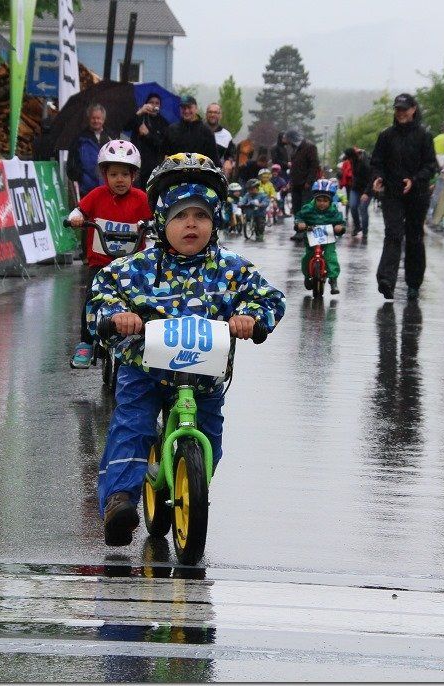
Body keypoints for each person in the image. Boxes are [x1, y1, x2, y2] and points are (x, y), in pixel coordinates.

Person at [86, 152, 286, 545]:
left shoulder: (232, 269)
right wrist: (117, 316)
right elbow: (102, 292)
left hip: (204, 375)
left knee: (211, 438)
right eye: (180, 216)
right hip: (145, 369)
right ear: (162, 221)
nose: (190, 224)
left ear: (215, 221)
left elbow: (269, 297)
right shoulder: (136, 268)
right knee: (133, 425)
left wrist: (250, 317)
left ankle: (190, 483)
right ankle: (120, 500)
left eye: (201, 216)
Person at [66, 140, 152, 369]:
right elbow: (79, 210)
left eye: (125, 174)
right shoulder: (97, 195)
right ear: (105, 175)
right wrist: (76, 218)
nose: (119, 179)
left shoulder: (141, 199)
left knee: (140, 299)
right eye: (114, 174)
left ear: (133, 176)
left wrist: (155, 225)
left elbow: (156, 216)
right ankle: (86, 342)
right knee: (92, 298)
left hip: (132, 263)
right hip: (101, 263)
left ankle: (142, 340)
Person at [371, 92, 438, 300]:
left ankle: (413, 284)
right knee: (393, 233)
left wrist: (415, 180)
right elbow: (376, 162)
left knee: (414, 236)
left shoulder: (424, 135)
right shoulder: (386, 136)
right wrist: (378, 177)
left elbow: (431, 165)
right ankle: (386, 279)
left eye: (404, 109)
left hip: (417, 193)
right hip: (392, 193)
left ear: (413, 110)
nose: (400, 113)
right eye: (397, 109)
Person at [295, 179, 346, 294]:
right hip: (311, 237)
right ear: (314, 199)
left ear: (330, 201)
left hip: (328, 238)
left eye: (325, 201)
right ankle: (307, 275)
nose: (322, 203)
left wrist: (340, 227)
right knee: (308, 256)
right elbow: (299, 217)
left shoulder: (333, 210)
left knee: (331, 257)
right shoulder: (308, 208)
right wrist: (300, 223)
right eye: (319, 200)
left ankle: (333, 280)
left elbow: (341, 222)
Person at [67, 103, 115, 198]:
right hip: (87, 189)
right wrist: (81, 178)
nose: (96, 121)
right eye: (93, 118)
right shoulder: (80, 139)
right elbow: (72, 163)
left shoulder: (111, 137)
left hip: (108, 188)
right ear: (89, 119)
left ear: (103, 119)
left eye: (99, 118)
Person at [124, 92, 169, 189]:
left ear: (160, 106)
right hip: (137, 164)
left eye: (157, 103)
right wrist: (139, 112)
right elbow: (126, 127)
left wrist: (148, 134)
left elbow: (163, 145)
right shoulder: (140, 117)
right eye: (151, 102)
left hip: (154, 166)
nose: (154, 105)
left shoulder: (163, 123)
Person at [163, 95, 217, 162]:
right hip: (177, 168)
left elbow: (214, 159)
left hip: (199, 168)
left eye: (189, 107)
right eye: (183, 108)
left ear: (196, 108)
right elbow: (165, 153)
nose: (186, 111)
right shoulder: (172, 130)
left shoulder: (206, 131)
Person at [287, 129, 320, 219]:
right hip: (295, 182)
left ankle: (306, 225)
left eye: (288, 139)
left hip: (305, 183)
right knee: (296, 207)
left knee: (305, 206)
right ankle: (298, 226)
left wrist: (309, 181)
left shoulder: (310, 147)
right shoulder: (294, 148)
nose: (287, 142)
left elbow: (314, 165)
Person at [204, 102, 236, 176]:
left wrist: (229, 161)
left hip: (216, 175)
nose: (212, 115)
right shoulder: (198, 131)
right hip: (197, 173)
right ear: (206, 114)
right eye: (210, 112)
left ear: (220, 115)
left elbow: (231, 154)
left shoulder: (226, 135)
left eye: (215, 112)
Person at [350, 147, 372, 239]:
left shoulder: (368, 164)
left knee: (363, 208)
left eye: (359, 154)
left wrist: (366, 193)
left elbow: (371, 180)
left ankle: (365, 231)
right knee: (353, 206)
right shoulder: (354, 163)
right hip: (355, 189)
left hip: (367, 190)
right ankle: (357, 226)